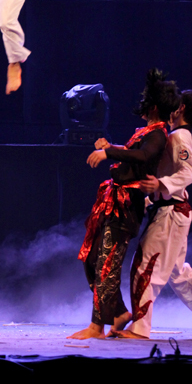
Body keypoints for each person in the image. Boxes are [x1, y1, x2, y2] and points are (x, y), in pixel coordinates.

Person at [68, 69, 181, 340]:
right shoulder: (148, 131)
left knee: (107, 264)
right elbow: (133, 155)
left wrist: (108, 152)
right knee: (92, 259)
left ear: (153, 107)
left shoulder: (158, 135)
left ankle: (97, 326)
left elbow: (143, 156)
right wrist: (111, 146)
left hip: (126, 206)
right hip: (114, 201)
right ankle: (118, 312)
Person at [117, 90, 192, 339]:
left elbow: (188, 172)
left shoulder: (180, 136)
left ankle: (140, 328)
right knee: (178, 275)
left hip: (171, 212)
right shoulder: (176, 135)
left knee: (145, 266)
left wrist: (160, 185)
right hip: (171, 209)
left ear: (180, 109)